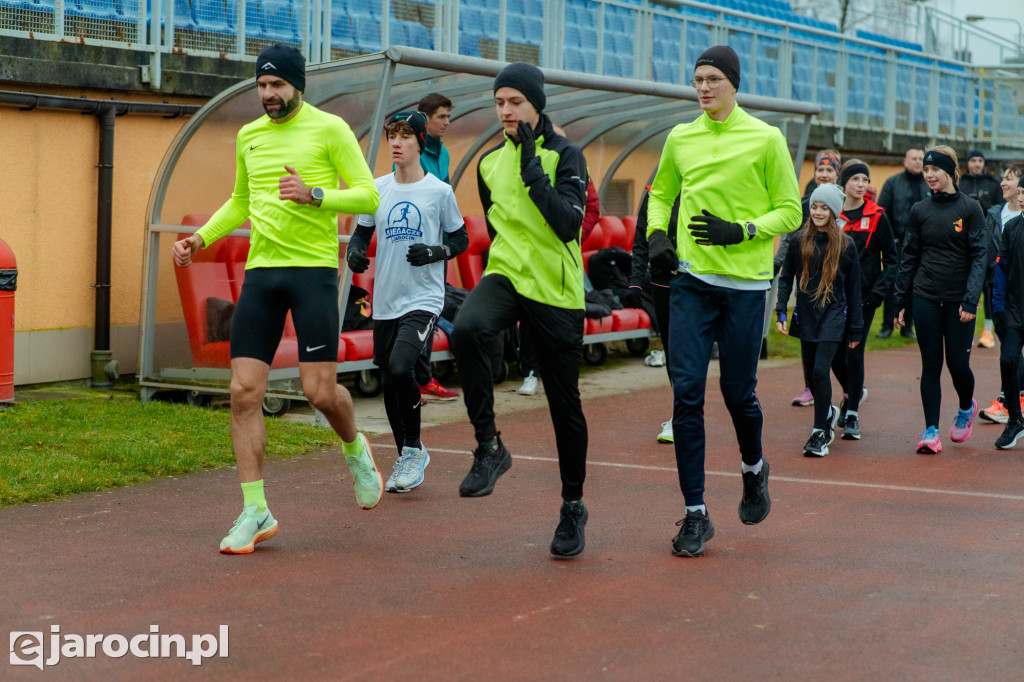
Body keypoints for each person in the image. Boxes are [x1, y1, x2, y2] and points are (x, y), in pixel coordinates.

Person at [171, 44, 383, 554]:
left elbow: (370, 195)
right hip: (262, 273)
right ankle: (255, 509)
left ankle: (354, 448)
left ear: (297, 86)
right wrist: (202, 238)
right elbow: (241, 201)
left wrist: (315, 195)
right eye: (261, 87)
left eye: (276, 86)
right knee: (244, 391)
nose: (268, 95)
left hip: (311, 272)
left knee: (319, 392)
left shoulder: (330, 129)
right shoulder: (248, 136)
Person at [646, 45, 801, 557]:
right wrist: (656, 237)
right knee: (686, 393)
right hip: (692, 283)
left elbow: (791, 210)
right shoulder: (680, 136)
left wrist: (743, 229)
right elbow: (662, 192)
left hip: (746, 288)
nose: (704, 88)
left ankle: (754, 470)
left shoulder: (766, 138)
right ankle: (695, 514)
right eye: (697, 80)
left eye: (713, 79)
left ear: (734, 83)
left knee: (738, 395)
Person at [452, 62, 591, 559]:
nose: (505, 111)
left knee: (564, 406)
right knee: (466, 328)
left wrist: (534, 166)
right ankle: (489, 446)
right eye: (499, 102)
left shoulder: (566, 154)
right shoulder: (487, 164)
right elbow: (497, 226)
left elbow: (565, 227)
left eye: (515, 102)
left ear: (537, 104)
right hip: (508, 273)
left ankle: (572, 506)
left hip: (554, 289)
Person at [346, 111, 468, 493]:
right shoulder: (377, 188)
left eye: (403, 136)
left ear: (419, 141)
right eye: (390, 137)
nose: (395, 143)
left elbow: (460, 241)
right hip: (386, 300)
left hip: (425, 298)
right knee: (389, 378)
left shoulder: (438, 191)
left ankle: (413, 448)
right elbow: (361, 233)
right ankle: (406, 458)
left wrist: (436, 251)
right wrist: (354, 252)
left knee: (402, 369)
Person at [892, 146, 987, 454]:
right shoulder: (919, 210)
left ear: (949, 172)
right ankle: (931, 431)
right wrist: (900, 300)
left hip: (960, 300)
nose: (929, 175)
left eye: (935, 170)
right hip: (926, 296)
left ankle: (964, 407)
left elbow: (979, 256)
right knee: (931, 364)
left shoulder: (970, 208)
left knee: (958, 364)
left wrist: (971, 300)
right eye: (926, 170)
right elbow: (909, 257)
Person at [776, 183, 862, 457]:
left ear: (834, 212)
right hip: (806, 313)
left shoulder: (847, 245)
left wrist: (856, 329)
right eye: (814, 206)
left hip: (834, 314)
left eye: (824, 208)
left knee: (821, 370)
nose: (818, 212)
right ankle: (829, 413)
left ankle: (818, 433)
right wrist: (780, 310)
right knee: (812, 376)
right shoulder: (799, 240)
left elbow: (854, 290)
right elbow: (786, 275)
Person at [517, 123, 600, 397]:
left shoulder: (575, 164)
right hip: (532, 255)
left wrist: (574, 238)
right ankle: (529, 372)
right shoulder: (526, 165)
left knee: (565, 311)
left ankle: (561, 375)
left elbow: (592, 208)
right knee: (530, 312)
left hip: (565, 255)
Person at [829, 159, 896, 439]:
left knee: (854, 353)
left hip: (865, 299)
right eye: (855, 179)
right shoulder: (833, 214)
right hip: (833, 299)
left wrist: (877, 295)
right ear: (843, 183)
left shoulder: (877, 215)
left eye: (864, 180)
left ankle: (852, 414)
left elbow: (892, 261)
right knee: (833, 354)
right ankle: (854, 391)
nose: (860, 185)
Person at [412, 92, 460, 402]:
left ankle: (424, 377)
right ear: (426, 118)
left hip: (439, 248)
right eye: (441, 116)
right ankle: (417, 377)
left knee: (432, 310)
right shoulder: (411, 151)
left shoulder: (443, 153)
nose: (447, 122)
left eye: (448, 116)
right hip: (417, 246)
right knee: (418, 312)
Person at [786, 149, 842, 407]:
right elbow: (792, 241)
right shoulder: (805, 203)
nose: (824, 174)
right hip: (809, 291)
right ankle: (811, 388)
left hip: (837, 294)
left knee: (837, 354)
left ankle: (851, 390)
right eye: (820, 169)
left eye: (829, 170)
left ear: (837, 173)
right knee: (810, 347)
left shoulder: (845, 203)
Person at [627, 186, 680, 443]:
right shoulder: (652, 193)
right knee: (672, 350)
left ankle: (686, 412)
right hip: (662, 283)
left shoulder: (705, 182)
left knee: (687, 350)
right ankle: (679, 414)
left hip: (698, 282)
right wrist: (636, 281)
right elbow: (640, 242)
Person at [979, 163, 1024, 423]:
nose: (1002, 183)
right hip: (999, 290)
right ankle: (1008, 400)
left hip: (1018, 294)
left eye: (1009, 178)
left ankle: (1010, 400)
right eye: (1002, 178)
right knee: (1009, 352)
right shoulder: (995, 214)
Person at [878, 147, 927, 340]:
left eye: (920, 159)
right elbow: (883, 213)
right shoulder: (892, 183)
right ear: (904, 162)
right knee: (892, 285)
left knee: (915, 286)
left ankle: (909, 327)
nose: (917, 162)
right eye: (913, 158)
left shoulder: (928, 184)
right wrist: (891, 238)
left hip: (922, 245)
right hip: (897, 244)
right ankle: (887, 326)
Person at [992, 174, 1024, 449]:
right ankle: (1015, 420)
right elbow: (1000, 270)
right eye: (1021, 192)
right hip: (1014, 311)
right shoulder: (1012, 227)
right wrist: (998, 306)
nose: (1021, 197)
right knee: (1008, 360)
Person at [961, 150, 1005, 349]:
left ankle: (988, 332)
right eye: (973, 160)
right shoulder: (960, 183)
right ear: (968, 163)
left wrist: (981, 204)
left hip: (989, 242)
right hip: (964, 241)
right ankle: (964, 329)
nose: (976, 164)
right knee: (966, 284)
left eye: (980, 160)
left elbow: (999, 210)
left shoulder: (993, 183)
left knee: (989, 286)